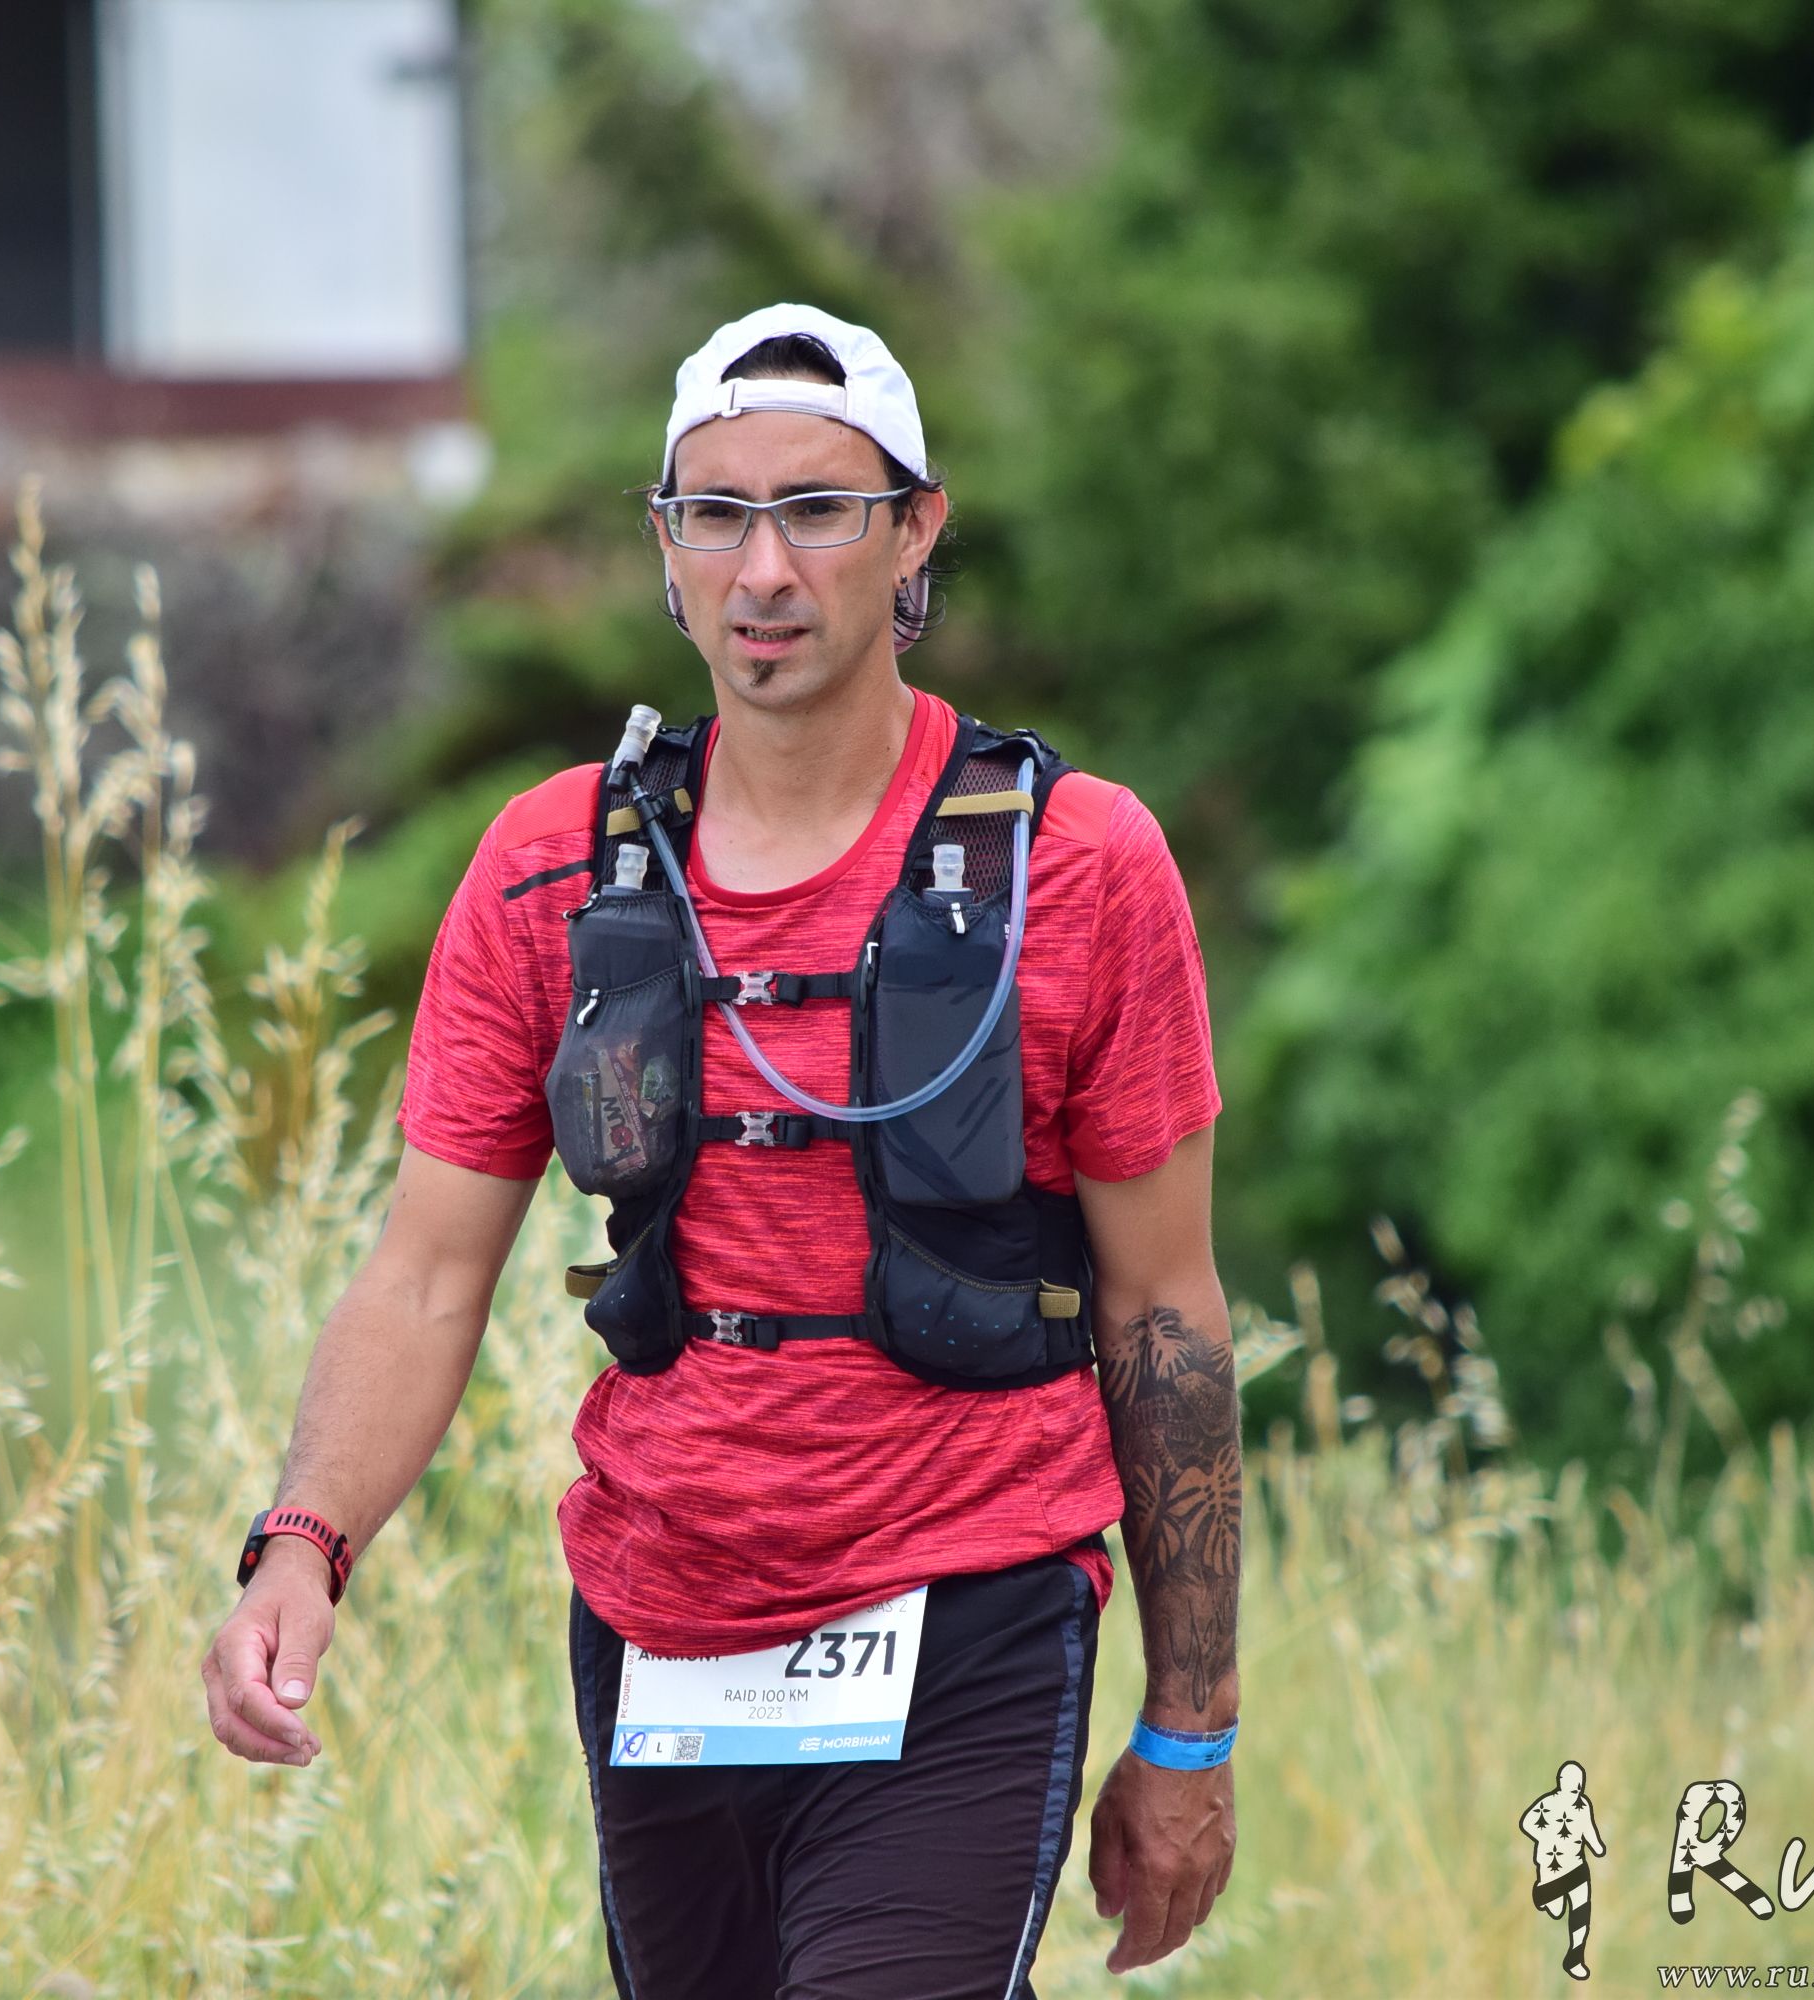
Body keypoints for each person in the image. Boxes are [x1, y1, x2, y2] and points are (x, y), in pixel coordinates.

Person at [201, 301, 1241, 1998]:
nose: (765, 570)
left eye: (819, 509)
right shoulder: (551, 867)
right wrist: (301, 1546)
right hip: (660, 1626)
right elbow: (426, 1273)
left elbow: (1165, 1312)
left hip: (971, 1607)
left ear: (916, 531)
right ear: (667, 550)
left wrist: (1192, 1731)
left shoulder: (1080, 864)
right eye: (716, 514)